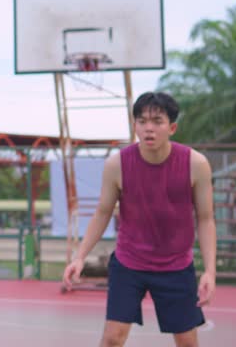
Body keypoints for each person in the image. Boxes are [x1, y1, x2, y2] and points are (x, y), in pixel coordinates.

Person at [62, 92, 216, 347]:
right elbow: (102, 212)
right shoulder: (117, 164)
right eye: (142, 121)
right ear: (134, 126)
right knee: (112, 338)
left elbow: (206, 218)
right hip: (129, 263)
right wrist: (79, 257)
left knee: (187, 342)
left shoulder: (196, 164)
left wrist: (210, 271)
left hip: (176, 266)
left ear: (172, 127)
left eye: (157, 121)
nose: (149, 128)